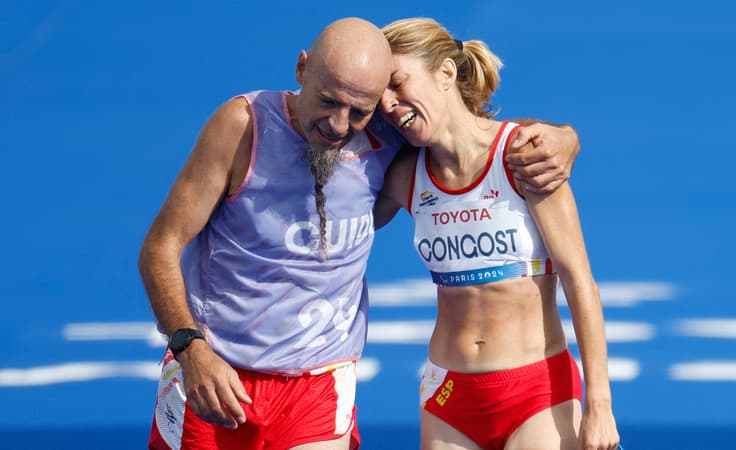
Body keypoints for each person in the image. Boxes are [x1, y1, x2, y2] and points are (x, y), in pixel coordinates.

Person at [138, 17, 581, 450]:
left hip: (321, 384)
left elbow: (470, 135)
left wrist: (563, 137)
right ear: (301, 69)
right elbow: (160, 246)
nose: (338, 124)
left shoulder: (386, 134)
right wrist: (190, 349)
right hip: (216, 375)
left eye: (359, 111)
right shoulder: (243, 126)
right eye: (328, 102)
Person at [374, 18, 620, 450]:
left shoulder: (525, 156)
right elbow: (338, 228)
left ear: (446, 73)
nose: (390, 104)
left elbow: (580, 282)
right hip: (448, 394)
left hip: (537, 391)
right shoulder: (404, 176)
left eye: (397, 83)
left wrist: (600, 406)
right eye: (381, 97)